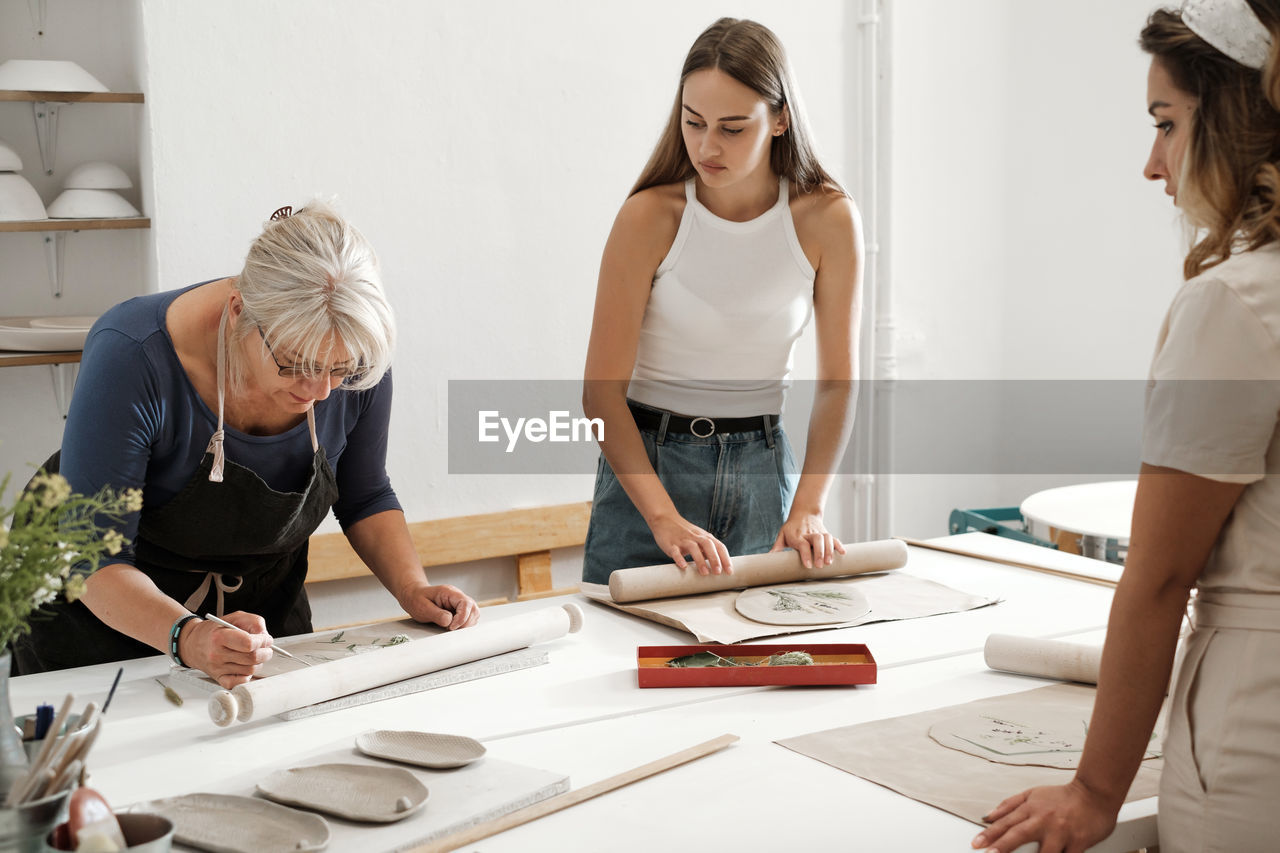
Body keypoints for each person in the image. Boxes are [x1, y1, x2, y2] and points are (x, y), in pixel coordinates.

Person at [975, 2, 1280, 851]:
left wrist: (1094, 788)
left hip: (1257, 737)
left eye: (1167, 124)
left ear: (1237, 122)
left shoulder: (1235, 300)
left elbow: (1157, 578)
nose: (1153, 164)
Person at [12, 203, 479, 688]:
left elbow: (364, 494)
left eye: (340, 371)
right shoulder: (132, 354)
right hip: (98, 613)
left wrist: (412, 587)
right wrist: (188, 638)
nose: (320, 391)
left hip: (255, 615)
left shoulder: (352, 353)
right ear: (238, 313)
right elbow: (94, 560)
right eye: (296, 364)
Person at [580, 17, 863, 584]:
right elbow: (600, 396)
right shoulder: (650, 217)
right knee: (623, 661)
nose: (707, 146)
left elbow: (837, 384)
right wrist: (663, 519)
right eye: (694, 122)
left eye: (733, 128)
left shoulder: (828, 219)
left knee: (759, 661)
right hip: (650, 471)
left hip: (764, 467)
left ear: (780, 118)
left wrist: (808, 506)